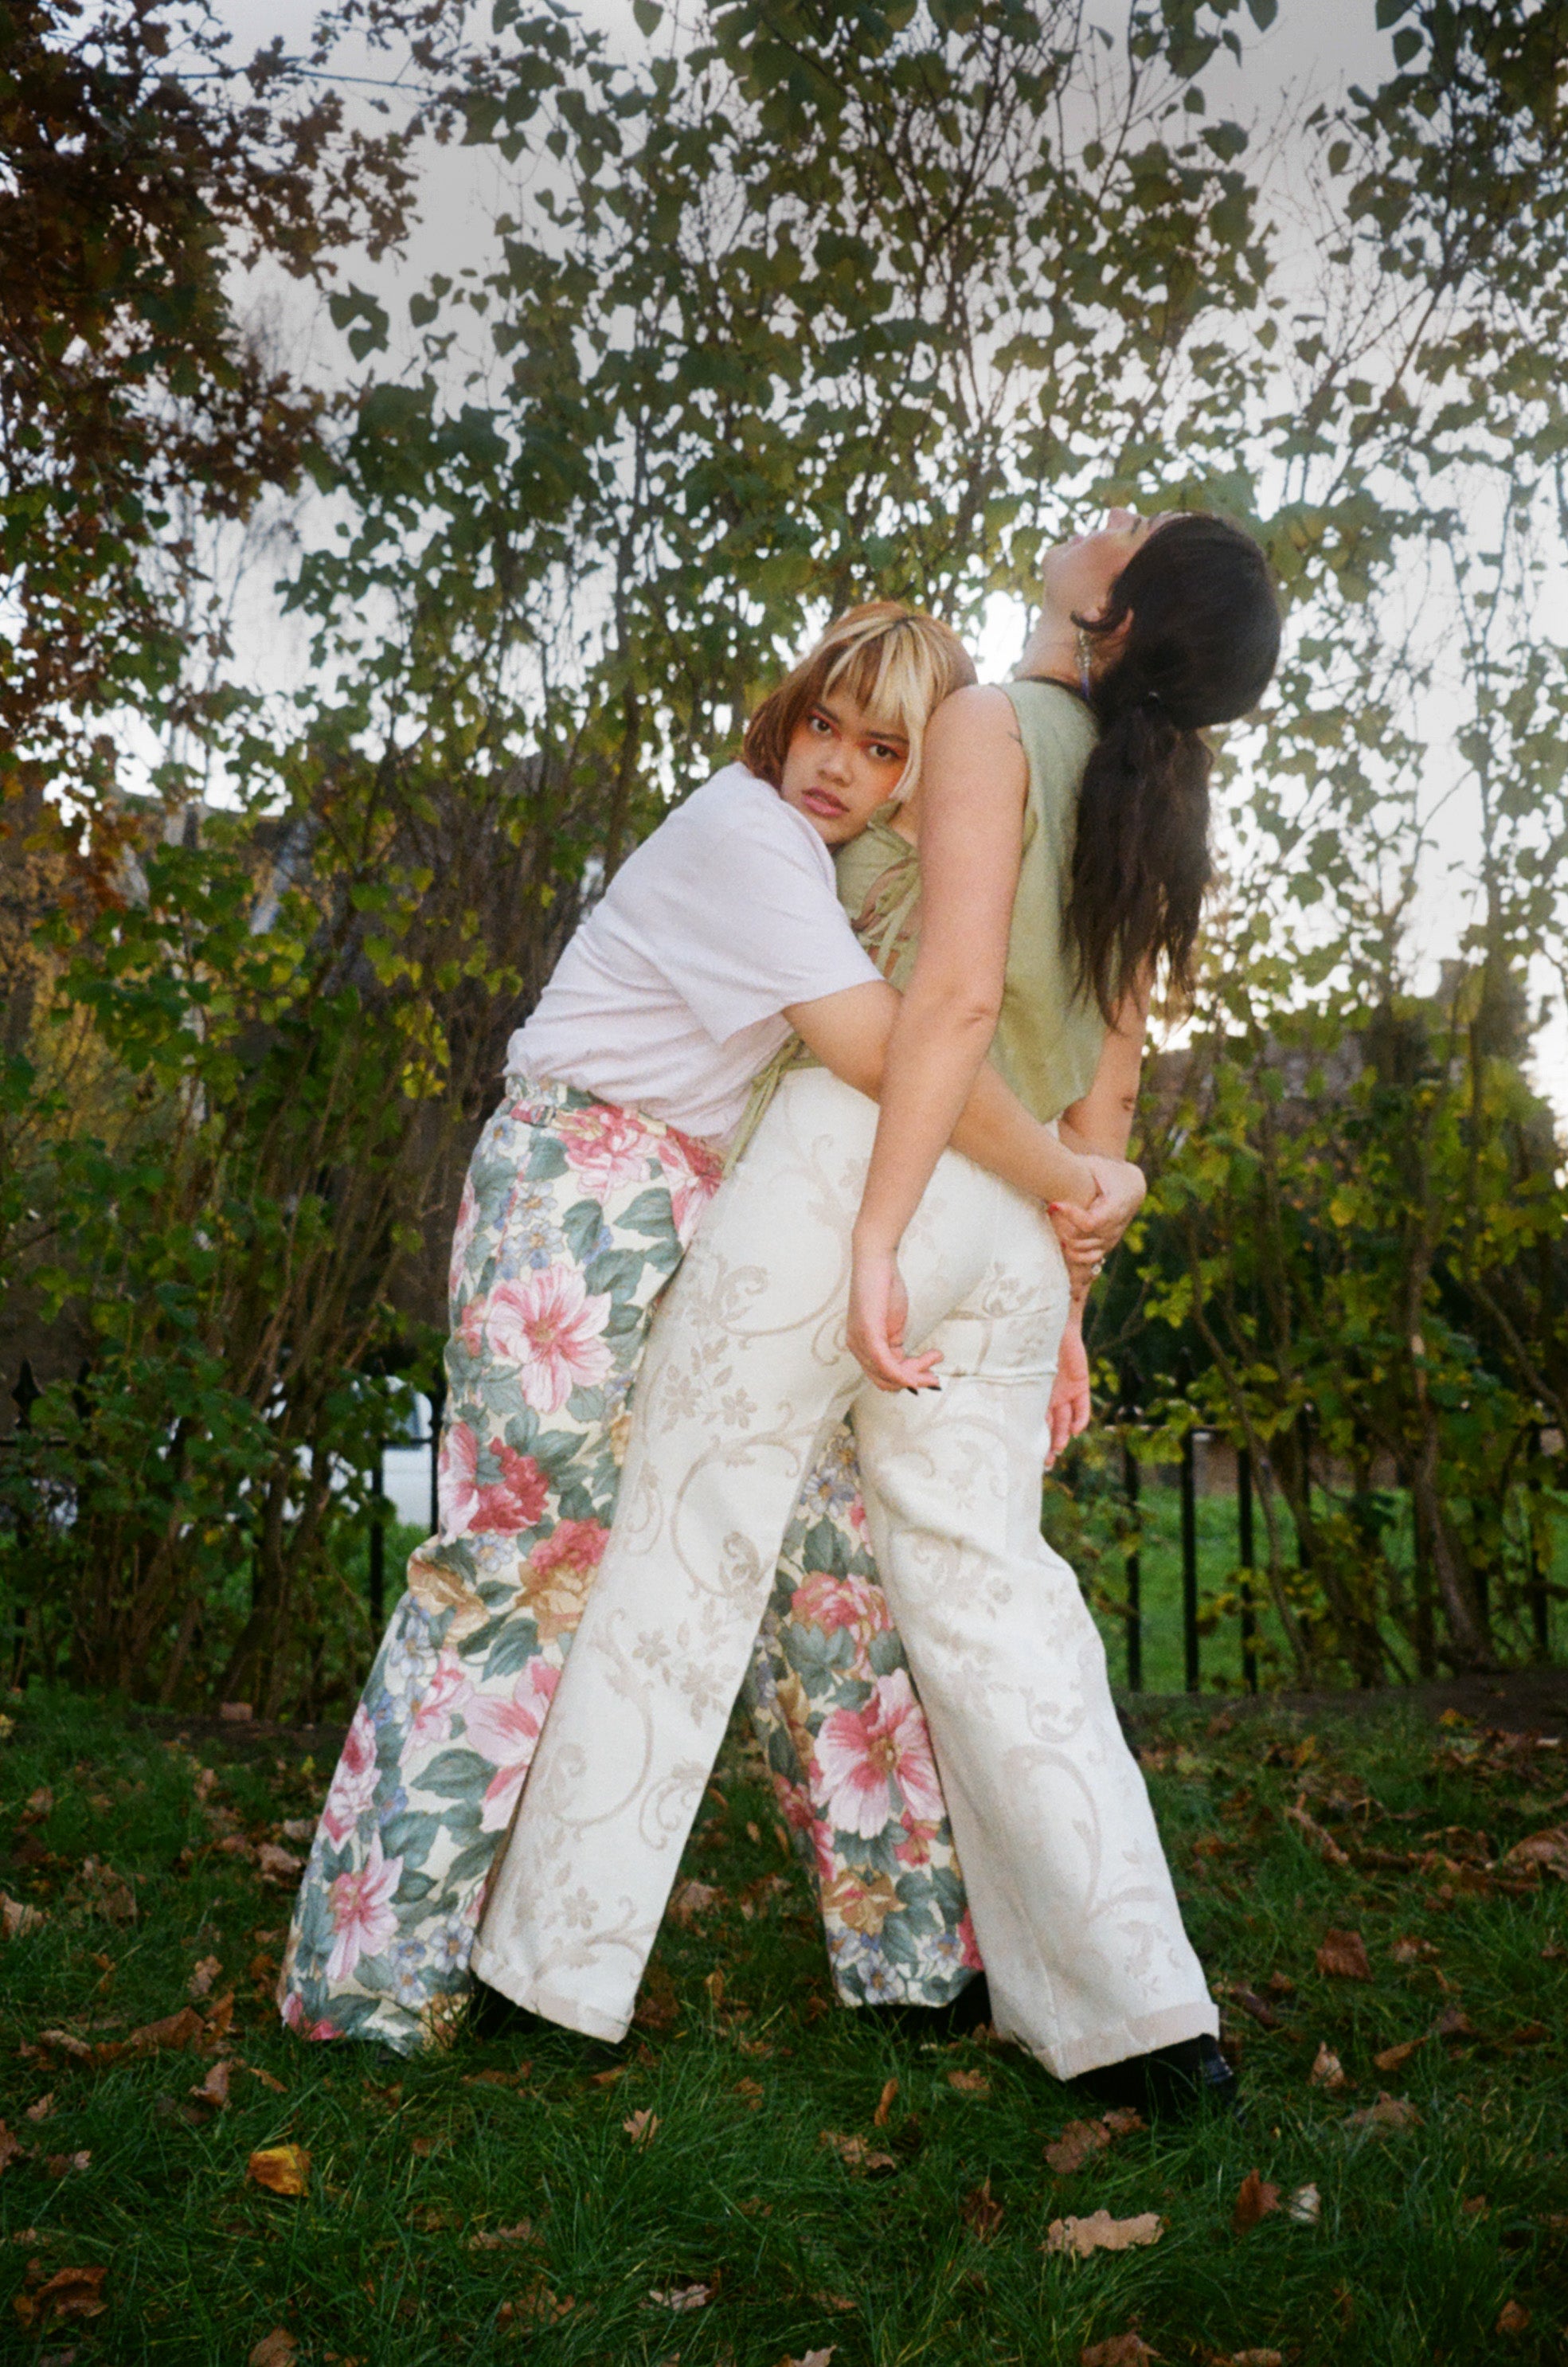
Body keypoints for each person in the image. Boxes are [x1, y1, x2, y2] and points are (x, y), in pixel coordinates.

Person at [469, 511, 1281, 2111]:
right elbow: (1107, 1073)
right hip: (1026, 1215)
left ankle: (552, 1980)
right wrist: (1063, 1302)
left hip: (875, 1169)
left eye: (1130, 531)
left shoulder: (988, 724)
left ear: (1110, 609)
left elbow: (953, 1000)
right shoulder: (1160, 798)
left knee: (691, 1521)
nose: (1099, 518)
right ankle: (1145, 2027)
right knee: (996, 1599)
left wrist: (875, 1233)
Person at [279, 601, 1136, 2052]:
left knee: (824, 1552)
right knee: (517, 1551)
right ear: (785, 714)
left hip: (709, 1208)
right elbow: (887, 1047)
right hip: (579, 1176)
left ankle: (913, 1959)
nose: (835, 766)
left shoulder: (833, 870)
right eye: (824, 723)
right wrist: (1074, 1181)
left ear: (918, 782)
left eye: (882, 751)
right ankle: (370, 1976)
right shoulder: (744, 835)